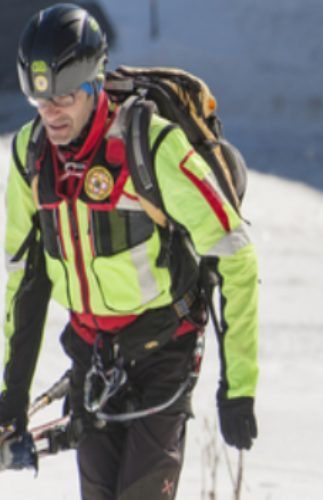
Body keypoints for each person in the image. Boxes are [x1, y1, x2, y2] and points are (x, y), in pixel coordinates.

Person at [0, 3, 259, 498]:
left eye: (64, 96)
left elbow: (236, 257)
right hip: (93, 358)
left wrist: (239, 386)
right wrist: (12, 400)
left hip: (165, 355)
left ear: (96, 85)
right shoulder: (31, 154)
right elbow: (25, 282)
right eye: (39, 99)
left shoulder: (151, 147)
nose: (50, 112)